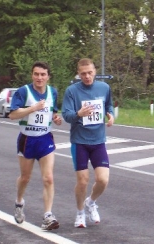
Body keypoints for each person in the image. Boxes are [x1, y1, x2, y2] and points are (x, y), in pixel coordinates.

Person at [9, 61, 62, 230]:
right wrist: (32, 109)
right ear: (32, 75)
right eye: (36, 74)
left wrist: (56, 118)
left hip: (45, 138)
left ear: (48, 76)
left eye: (43, 74)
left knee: (48, 178)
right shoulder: (23, 92)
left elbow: (53, 112)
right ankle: (19, 203)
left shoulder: (52, 92)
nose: (39, 78)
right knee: (25, 177)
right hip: (27, 139)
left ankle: (47, 215)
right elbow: (12, 114)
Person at [61, 58, 114, 228]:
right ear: (79, 74)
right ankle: (80, 213)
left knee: (103, 180)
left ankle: (91, 202)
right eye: (83, 73)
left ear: (95, 71)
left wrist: (111, 115)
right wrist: (79, 113)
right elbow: (66, 116)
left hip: (98, 141)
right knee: (83, 181)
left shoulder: (104, 88)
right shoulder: (72, 91)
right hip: (80, 141)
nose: (87, 76)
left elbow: (109, 106)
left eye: (90, 72)